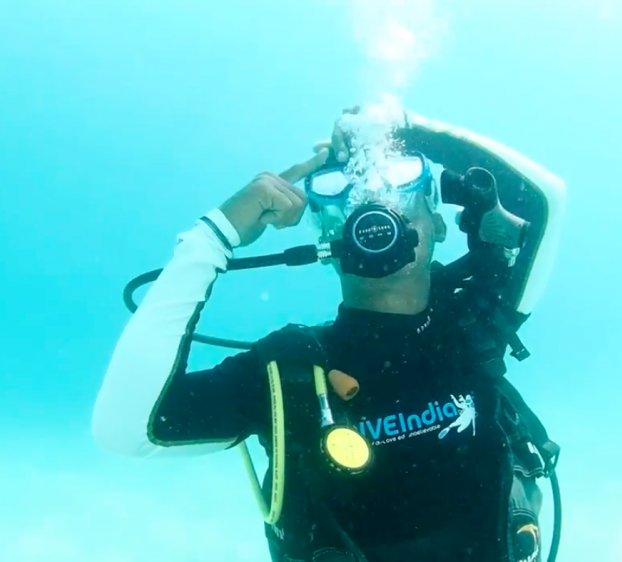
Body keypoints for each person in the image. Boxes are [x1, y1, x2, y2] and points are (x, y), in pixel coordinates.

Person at [92, 106, 567, 562]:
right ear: (327, 241)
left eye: (404, 191)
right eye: (341, 203)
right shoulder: (290, 373)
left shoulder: (474, 322)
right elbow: (127, 430)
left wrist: (407, 128)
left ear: (439, 224)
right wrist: (211, 239)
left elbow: (547, 199)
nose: (378, 213)